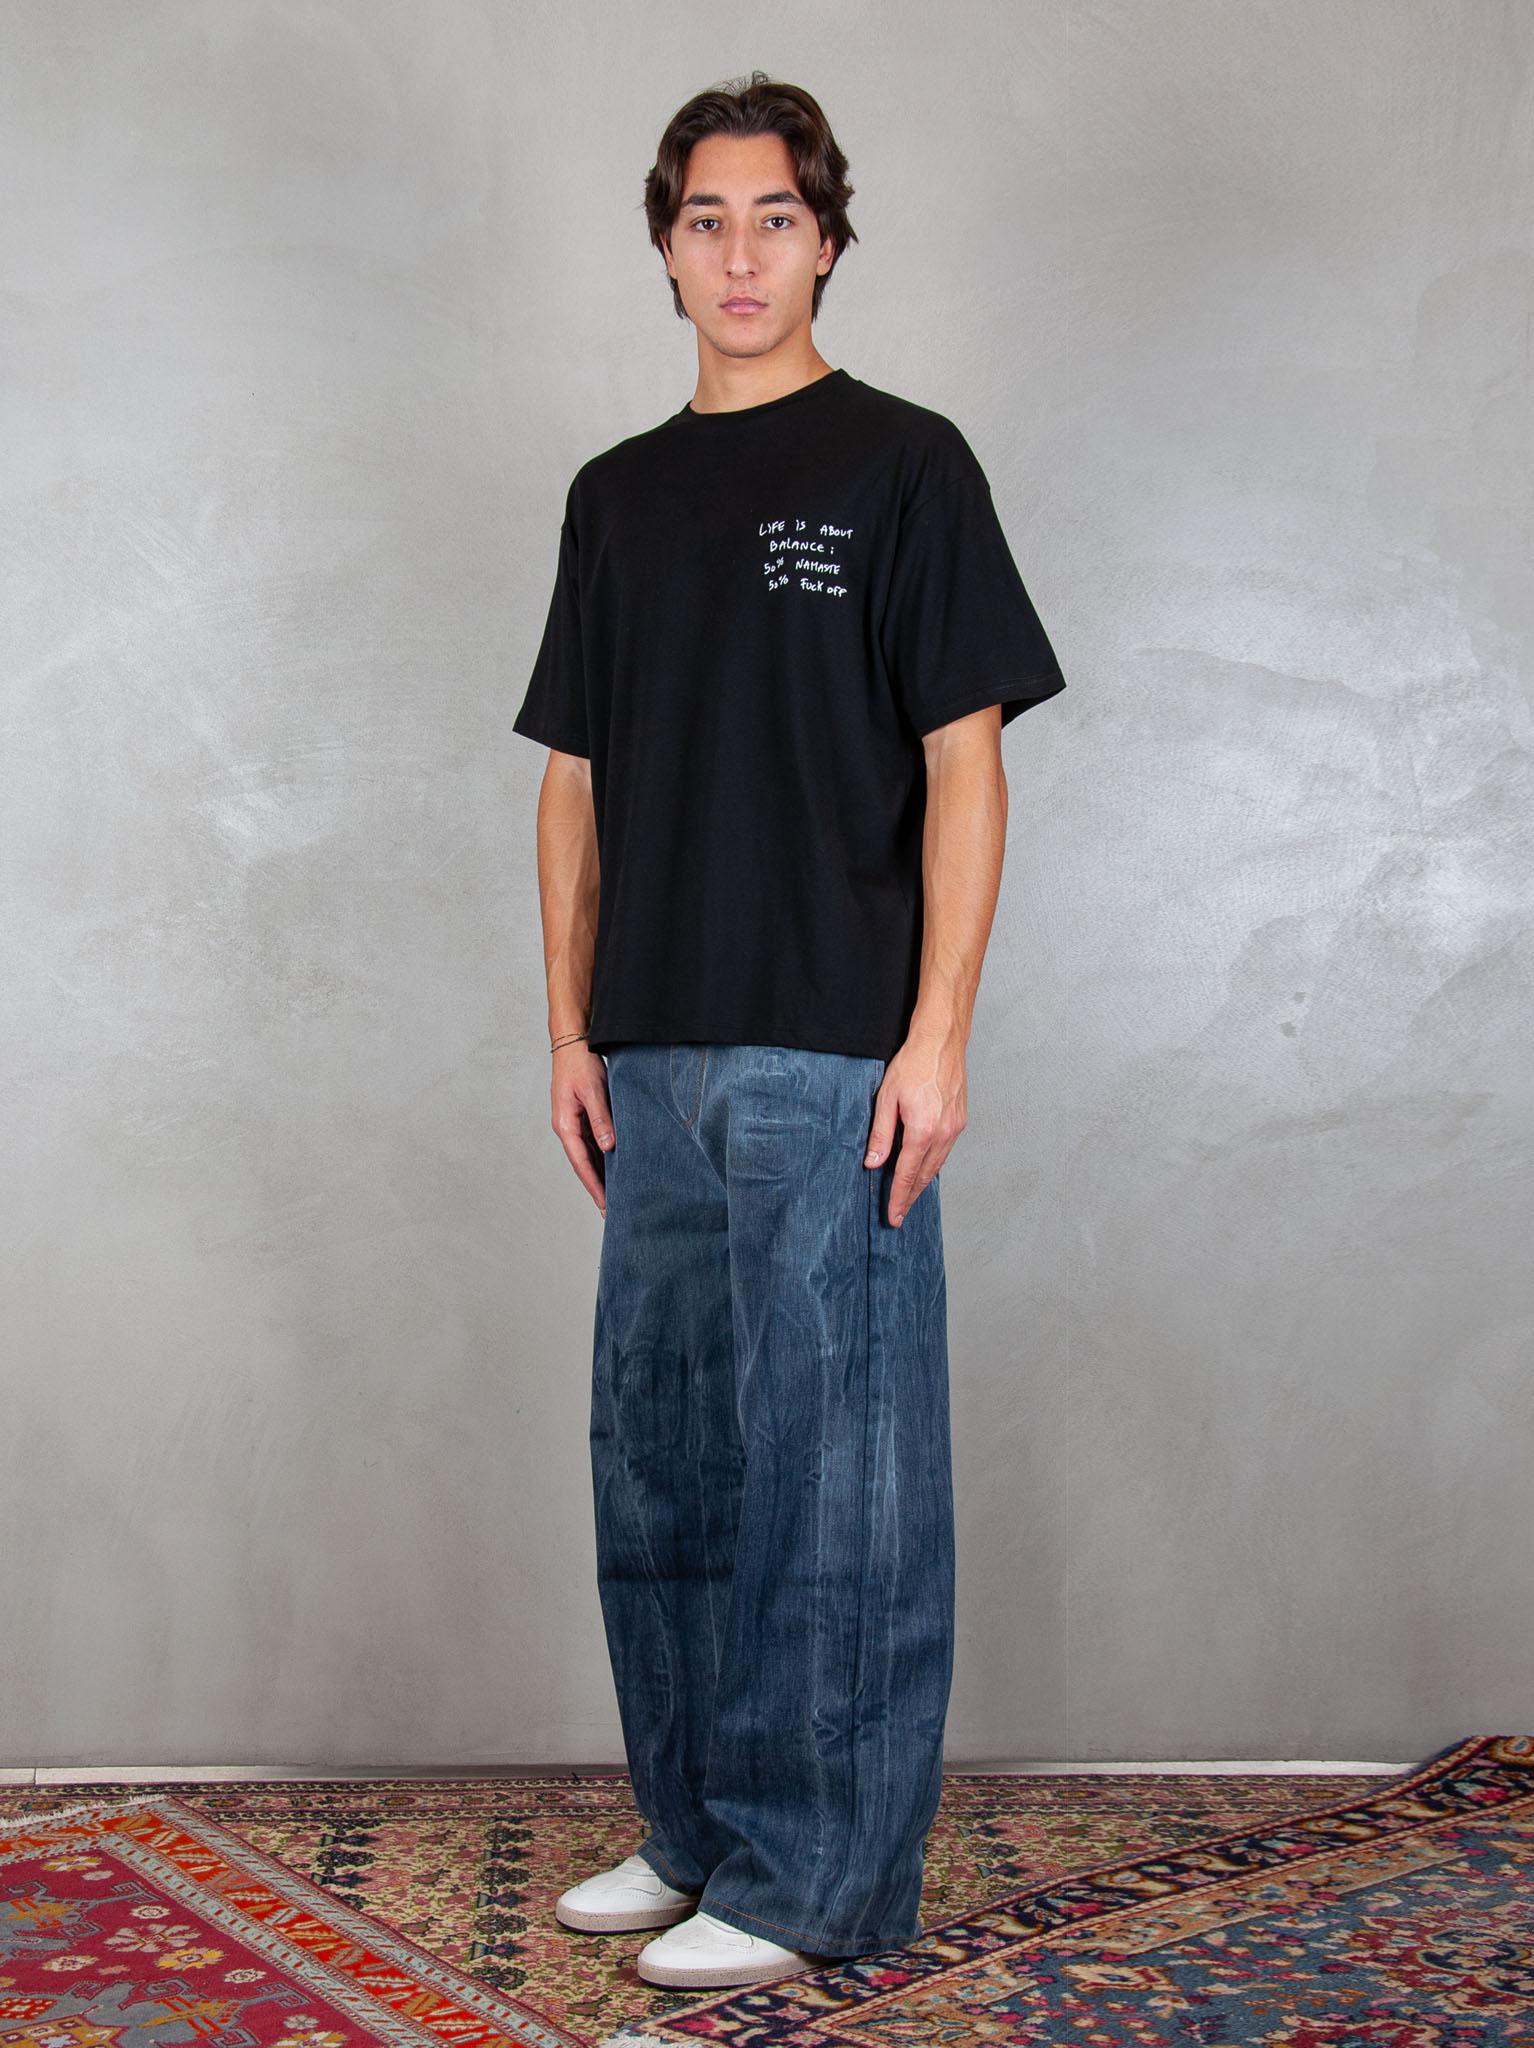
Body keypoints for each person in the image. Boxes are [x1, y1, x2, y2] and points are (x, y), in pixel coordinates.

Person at [513, 71, 1066, 1993]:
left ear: (826, 242)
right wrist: (568, 1028)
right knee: (665, 1457)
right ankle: (697, 1830)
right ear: (664, 251)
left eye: (775, 218)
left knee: (836, 1474)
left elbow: (965, 761)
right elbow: (572, 778)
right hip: (650, 1053)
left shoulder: (905, 466)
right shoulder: (613, 496)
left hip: (834, 1049)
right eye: (705, 220)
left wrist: (939, 1036)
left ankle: (816, 1876)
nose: (739, 254)